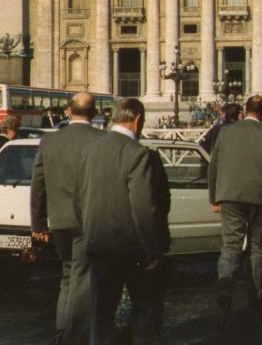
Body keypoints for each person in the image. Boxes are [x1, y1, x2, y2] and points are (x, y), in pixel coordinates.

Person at [78, 98, 171, 344]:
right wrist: (153, 250)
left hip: (97, 244)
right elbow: (144, 207)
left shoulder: (91, 149)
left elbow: (83, 195)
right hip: (132, 250)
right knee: (145, 310)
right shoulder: (138, 153)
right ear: (138, 120)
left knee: (101, 314)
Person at [31, 92, 105, 344]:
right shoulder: (102, 140)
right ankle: (74, 337)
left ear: (69, 111)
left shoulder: (49, 141)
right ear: (94, 113)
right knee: (83, 280)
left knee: (68, 275)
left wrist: (38, 223)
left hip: (59, 220)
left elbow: (38, 184)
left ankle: (62, 330)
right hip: (89, 220)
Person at [208, 95, 262, 311]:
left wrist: (214, 197)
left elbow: (213, 166)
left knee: (231, 245)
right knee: (258, 247)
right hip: (259, 198)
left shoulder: (226, 131)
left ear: (245, 109)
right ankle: (256, 296)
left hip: (229, 196)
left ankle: (225, 282)